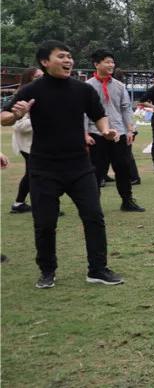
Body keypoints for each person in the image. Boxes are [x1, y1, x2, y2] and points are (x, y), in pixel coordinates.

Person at [1, 40, 125, 289]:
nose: (68, 60)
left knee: (94, 216)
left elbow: (98, 115)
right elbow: (3, 117)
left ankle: (98, 269)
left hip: (79, 166)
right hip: (43, 168)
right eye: (61, 56)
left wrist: (105, 130)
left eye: (69, 56)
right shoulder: (31, 90)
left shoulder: (82, 90)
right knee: (45, 223)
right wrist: (17, 114)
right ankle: (47, 271)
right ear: (45, 62)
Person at [85, 49, 144, 212]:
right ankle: (93, 204)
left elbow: (126, 108)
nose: (111, 65)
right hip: (96, 133)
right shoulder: (87, 86)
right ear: (96, 64)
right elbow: (83, 112)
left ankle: (127, 201)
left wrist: (130, 130)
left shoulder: (119, 86)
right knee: (96, 170)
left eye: (112, 62)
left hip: (119, 133)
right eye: (107, 62)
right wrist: (84, 133)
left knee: (123, 168)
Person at [10, 67, 43, 213]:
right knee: (35, 174)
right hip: (27, 144)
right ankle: (38, 205)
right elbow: (19, 125)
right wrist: (42, 119)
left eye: (43, 75)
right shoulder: (23, 96)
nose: (41, 78)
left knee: (32, 174)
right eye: (37, 76)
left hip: (38, 143)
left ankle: (19, 203)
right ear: (28, 79)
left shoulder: (41, 93)